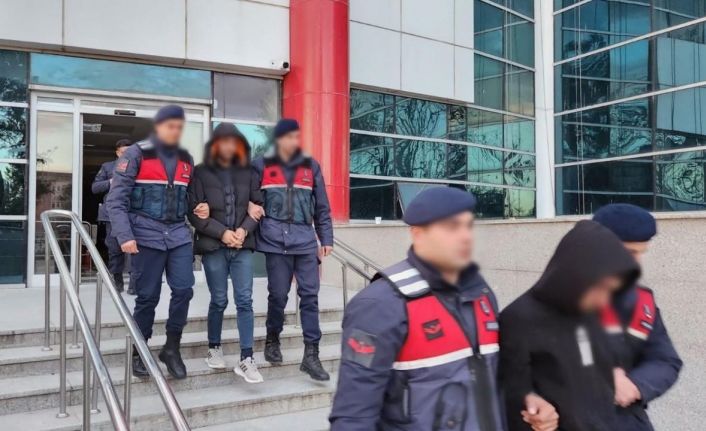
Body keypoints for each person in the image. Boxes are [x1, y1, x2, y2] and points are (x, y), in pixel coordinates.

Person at [330, 187, 556, 431]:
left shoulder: (481, 294)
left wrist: (526, 397)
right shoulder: (380, 305)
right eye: (451, 227)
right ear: (418, 234)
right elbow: (353, 416)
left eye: (468, 226)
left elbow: (488, 374)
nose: (465, 236)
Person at [500, 220, 641, 431]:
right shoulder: (518, 318)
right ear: (572, 276)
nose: (604, 299)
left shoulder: (591, 313)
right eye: (600, 288)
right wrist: (534, 409)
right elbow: (513, 392)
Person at [105, 105, 204, 379]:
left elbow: (189, 198)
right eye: (170, 126)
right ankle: (140, 350)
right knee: (148, 297)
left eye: (179, 127)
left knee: (184, 290)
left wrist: (201, 207)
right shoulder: (136, 154)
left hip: (178, 236)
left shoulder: (186, 158)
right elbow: (116, 200)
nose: (175, 131)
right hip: (145, 236)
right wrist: (125, 235)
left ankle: (172, 348)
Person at [252, 118, 334, 381]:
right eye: (288, 137)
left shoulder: (311, 166)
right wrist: (249, 208)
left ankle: (311, 355)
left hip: (305, 240)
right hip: (274, 240)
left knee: (310, 296)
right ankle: (272, 338)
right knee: (278, 295)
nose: (293, 141)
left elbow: (322, 206)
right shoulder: (261, 165)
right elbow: (248, 196)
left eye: (296, 136)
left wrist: (326, 238)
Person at [187, 122, 266, 383]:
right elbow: (194, 213)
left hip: (242, 247)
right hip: (214, 247)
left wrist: (243, 230)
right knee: (219, 300)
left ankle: (247, 358)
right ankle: (214, 347)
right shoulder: (201, 172)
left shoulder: (249, 172)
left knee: (245, 301)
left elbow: (258, 207)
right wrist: (222, 233)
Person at [592, 204, 682, 431]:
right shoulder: (553, 298)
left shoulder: (642, 303)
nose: (636, 263)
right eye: (630, 252)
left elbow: (665, 360)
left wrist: (634, 385)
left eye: (641, 253)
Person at [92, 138, 132, 293]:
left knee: (135, 250)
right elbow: (95, 188)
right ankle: (117, 282)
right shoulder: (107, 167)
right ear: (117, 153)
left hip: (133, 214)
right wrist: (111, 181)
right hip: (112, 216)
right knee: (115, 250)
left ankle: (134, 285)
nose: (127, 155)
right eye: (123, 152)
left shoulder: (139, 167)